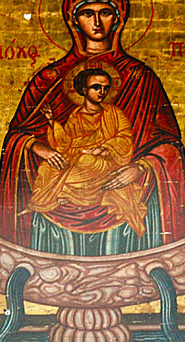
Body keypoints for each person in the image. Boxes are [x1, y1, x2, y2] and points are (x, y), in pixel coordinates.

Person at [0, 0, 185, 256]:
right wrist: (36, 145)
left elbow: (169, 145)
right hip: (64, 194)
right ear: (73, 20)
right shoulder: (49, 80)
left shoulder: (141, 78)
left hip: (118, 189)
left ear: (118, 19)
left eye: (105, 12)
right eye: (88, 13)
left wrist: (142, 167)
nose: (97, 22)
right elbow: (16, 136)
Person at [26, 68, 148, 237]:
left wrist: (104, 147)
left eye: (105, 88)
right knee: (47, 168)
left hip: (105, 160)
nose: (102, 92)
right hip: (77, 157)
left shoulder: (113, 113)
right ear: (84, 90)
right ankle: (66, 192)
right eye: (96, 87)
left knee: (87, 162)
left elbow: (125, 138)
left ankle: (68, 192)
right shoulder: (75, 116)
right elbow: (64, 144)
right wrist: (52, 122)